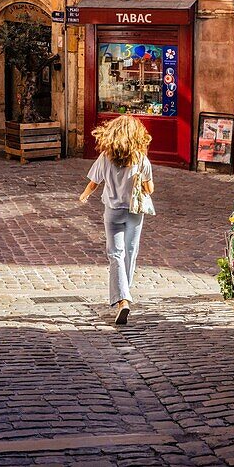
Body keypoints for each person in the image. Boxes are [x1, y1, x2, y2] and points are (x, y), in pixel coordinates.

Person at [79, 114, 154, 324]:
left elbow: (94, 182)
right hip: (135, 211)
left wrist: (84, 195)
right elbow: (150, 189)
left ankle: (122, 299)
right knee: (130, 253)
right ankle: (124, 297)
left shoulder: (105, 157)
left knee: (116, 254)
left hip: (113, 211)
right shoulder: (141, 158)